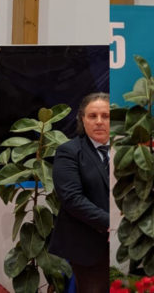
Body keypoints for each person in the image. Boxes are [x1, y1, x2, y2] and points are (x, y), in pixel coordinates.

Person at [49, 92, 110, 293]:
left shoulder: (129, 151)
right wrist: (112, 224)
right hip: (87, 246)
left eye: (106, 116)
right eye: (92, 116)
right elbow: (72, 199)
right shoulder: (69, 151)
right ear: (82, 119)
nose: (99, 121)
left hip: (128, 244)